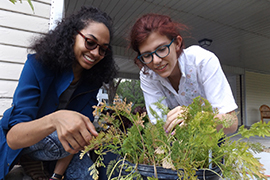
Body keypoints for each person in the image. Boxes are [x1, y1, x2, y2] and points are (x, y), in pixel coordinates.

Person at [0, 6, 118, 180]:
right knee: (59, 139)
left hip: (62, 146)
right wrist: (56, 119)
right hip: (26, 139)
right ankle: (27, 158)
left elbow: (78, 138)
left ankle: (40, 165)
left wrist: (56, 176)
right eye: (90, 42)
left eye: (103, 49)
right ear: (72, 36)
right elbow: (14, 138)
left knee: (86, 175)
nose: (95, 53)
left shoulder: (92, 82)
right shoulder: (37, 65)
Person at [129, 13, 238, 135]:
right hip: (177, 141)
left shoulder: (202, 61)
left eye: (161, 49)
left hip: (211, 136)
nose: (156, 61)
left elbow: (231, 121)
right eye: (147, 55)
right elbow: (157, 126)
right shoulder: (148, 75)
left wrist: (194, 118)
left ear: (177, 43)